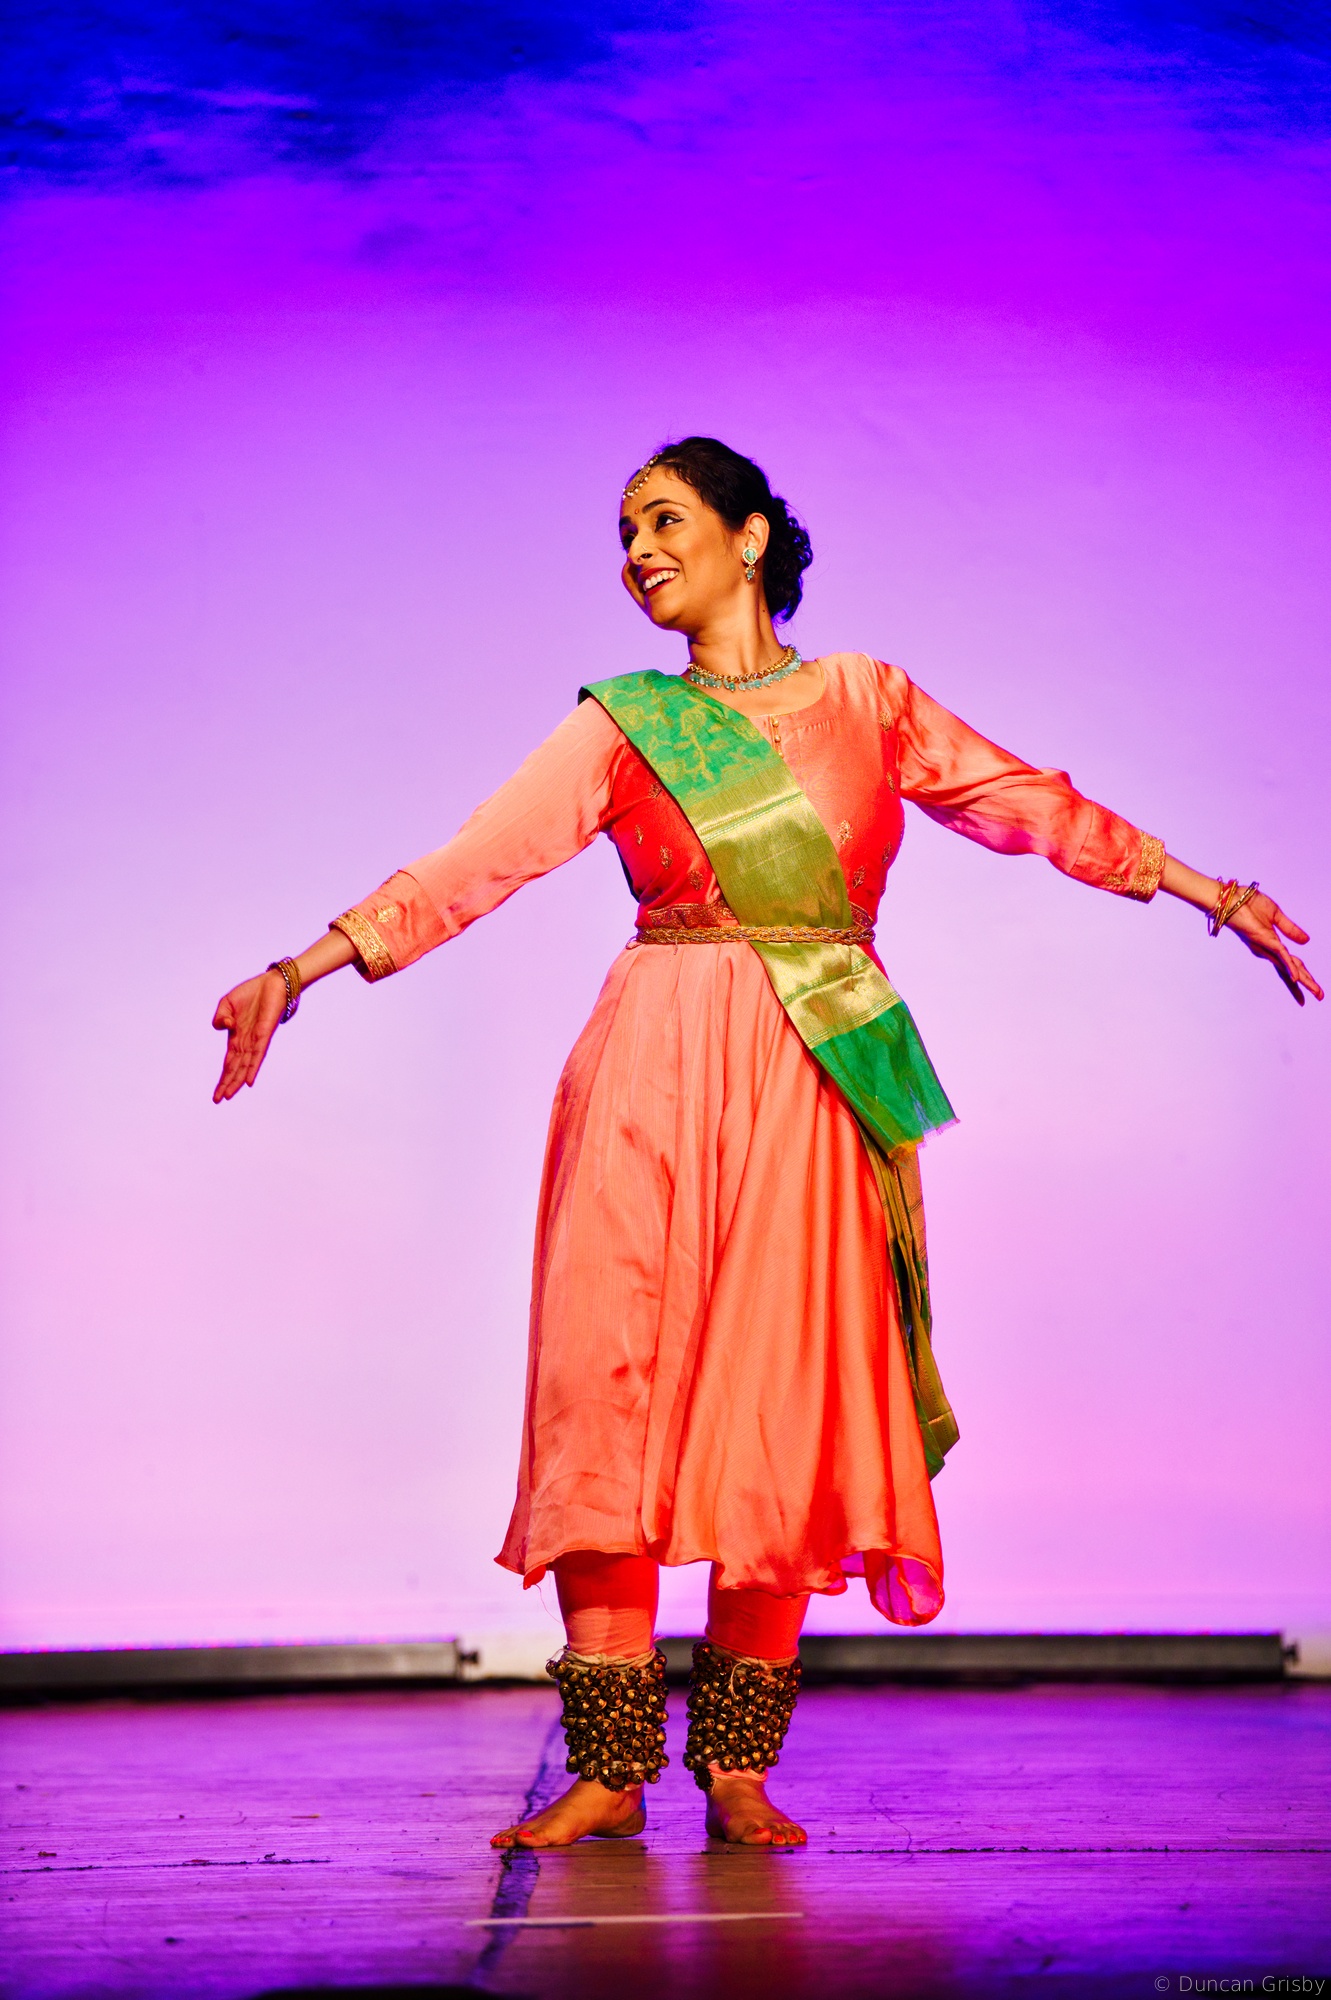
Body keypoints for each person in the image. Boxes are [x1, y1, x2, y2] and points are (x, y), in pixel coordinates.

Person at [213, 436, 1321, 1851]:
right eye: (625, 532)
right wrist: (299, 971)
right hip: (649, 1066)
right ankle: (611, 1768)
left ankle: (737, 1766)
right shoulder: (623, 724)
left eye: (665, 519)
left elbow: (1025, 802)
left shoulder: (868, 699)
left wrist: (1208, 890)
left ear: (749, 538)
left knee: (782, 1401)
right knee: (606, 1384)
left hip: (820, 1072)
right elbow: (475, 860)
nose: (639, 550)